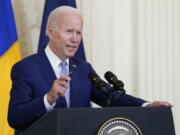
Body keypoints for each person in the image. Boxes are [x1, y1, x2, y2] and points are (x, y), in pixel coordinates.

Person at [8, 6, 172, 135]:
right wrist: (48, 99)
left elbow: (111, 97)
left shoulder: (82, 68)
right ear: (50, 31)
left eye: (79, 32)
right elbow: (15, 118)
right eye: (69, 31)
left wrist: (147, 105)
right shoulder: (25, 68)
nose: (75, 39)